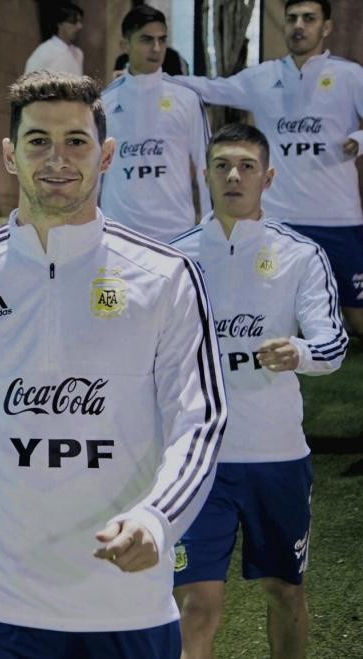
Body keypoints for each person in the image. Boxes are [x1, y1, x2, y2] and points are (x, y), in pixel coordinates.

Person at [0, 71, 227, 659]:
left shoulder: (167, 279)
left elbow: (200, 420)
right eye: (37, 141)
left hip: (126, 607)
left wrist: (158, 519)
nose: (57, 159)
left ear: (106, 154)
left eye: (76, 141)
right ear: (10, 155)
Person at [169, 123, 346, 659]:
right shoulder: (173, 260)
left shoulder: (301, 255)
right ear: (205, 175)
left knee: (285, 590)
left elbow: (333, 343)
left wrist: (300, 352)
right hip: (198, 460)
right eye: (222, 164)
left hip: (276, 457)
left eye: (246, 166)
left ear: (267, 177)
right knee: (194, 602)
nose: (233, 175)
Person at [174, 0, 363, 335]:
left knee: (358, 320)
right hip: (279, 217)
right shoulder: (264, 77)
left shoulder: (350, 76)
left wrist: (359, 139)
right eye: (292, 19)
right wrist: (158, 81)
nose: (298, 26)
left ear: (326, 27)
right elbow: (214, 88)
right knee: (267, 312)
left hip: (338, 216)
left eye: (309, 18)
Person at [100, 5, 211, 243]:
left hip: (176, 232)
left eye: (162, 40)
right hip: (119, 232)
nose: (157, 48)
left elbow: (206, 165)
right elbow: (92, 173)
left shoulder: (187, 98)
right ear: (125, 45)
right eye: (146, 40)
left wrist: (209, 227)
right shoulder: (104, 102)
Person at [25, 3, 85, 75]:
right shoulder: (44, 52)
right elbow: (28, 83)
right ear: (59, 23)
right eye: (73, 21)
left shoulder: (78, 53)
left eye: (80, 21)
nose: (79, 26)